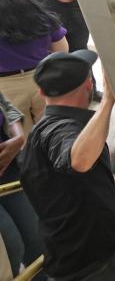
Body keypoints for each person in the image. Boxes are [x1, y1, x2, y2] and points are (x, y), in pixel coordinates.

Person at [19, 51, 115, 280]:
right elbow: (79, 160)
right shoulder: (58, 130)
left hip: (77, 259)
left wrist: (109, 162)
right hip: (99, 265)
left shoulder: (41, 132)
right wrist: (108, 101)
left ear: (41, 92)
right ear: (89, 84)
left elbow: (64, 180)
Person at [0, 0, 68, 132]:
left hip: (6, 87)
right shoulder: (39, 16)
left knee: (21, 137)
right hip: (42, 77)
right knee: (53, 129)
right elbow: (62, 49)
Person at [0, 93, 45, 279]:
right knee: (11, 247)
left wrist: (18, 137)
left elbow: (6, 106)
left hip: (8, 168)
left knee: (36, 238)